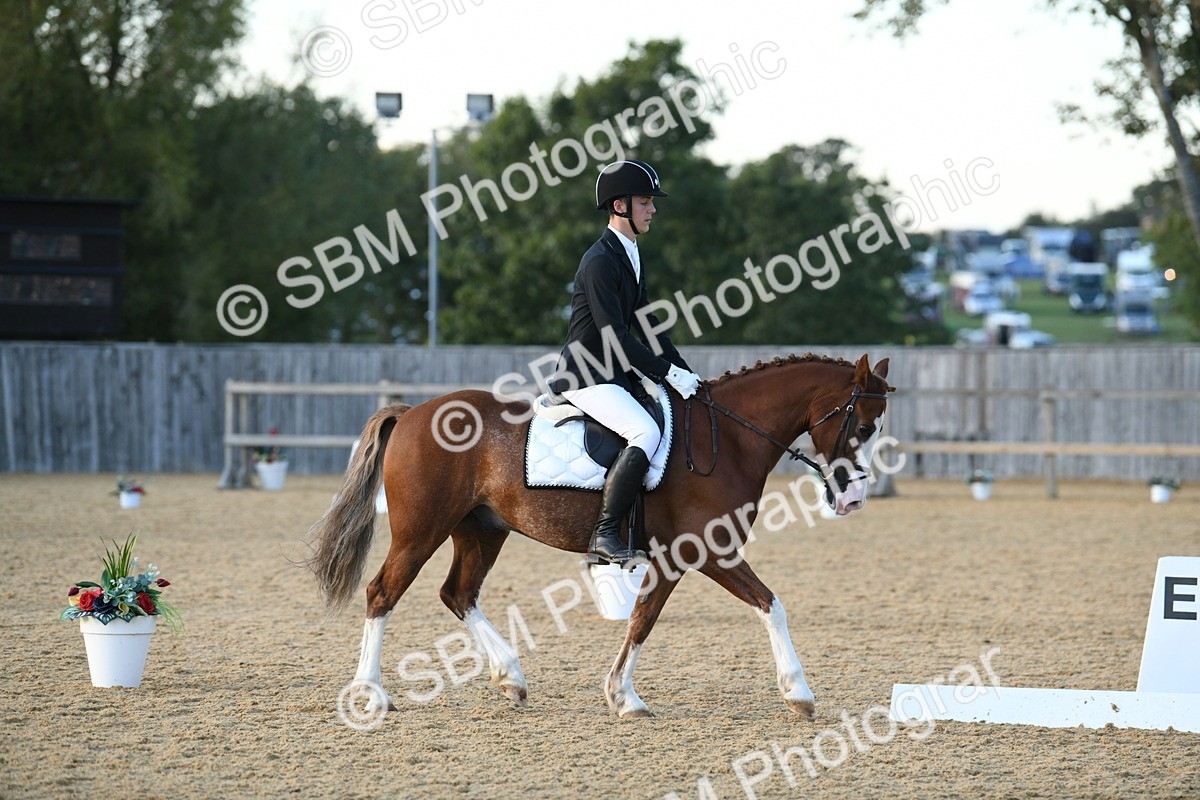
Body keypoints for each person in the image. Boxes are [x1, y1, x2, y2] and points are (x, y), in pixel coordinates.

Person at [550, 160, 702, 566]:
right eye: (645, 202)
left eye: (651, 203)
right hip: (585, 375)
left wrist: (685, 372)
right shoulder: (600, 261)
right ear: (620, 205)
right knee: (643, 431)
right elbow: (612, 334)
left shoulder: (629, 253)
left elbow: (648, 324)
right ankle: (603, 536)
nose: (652, 209)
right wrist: (664, 372)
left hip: (613, 374)